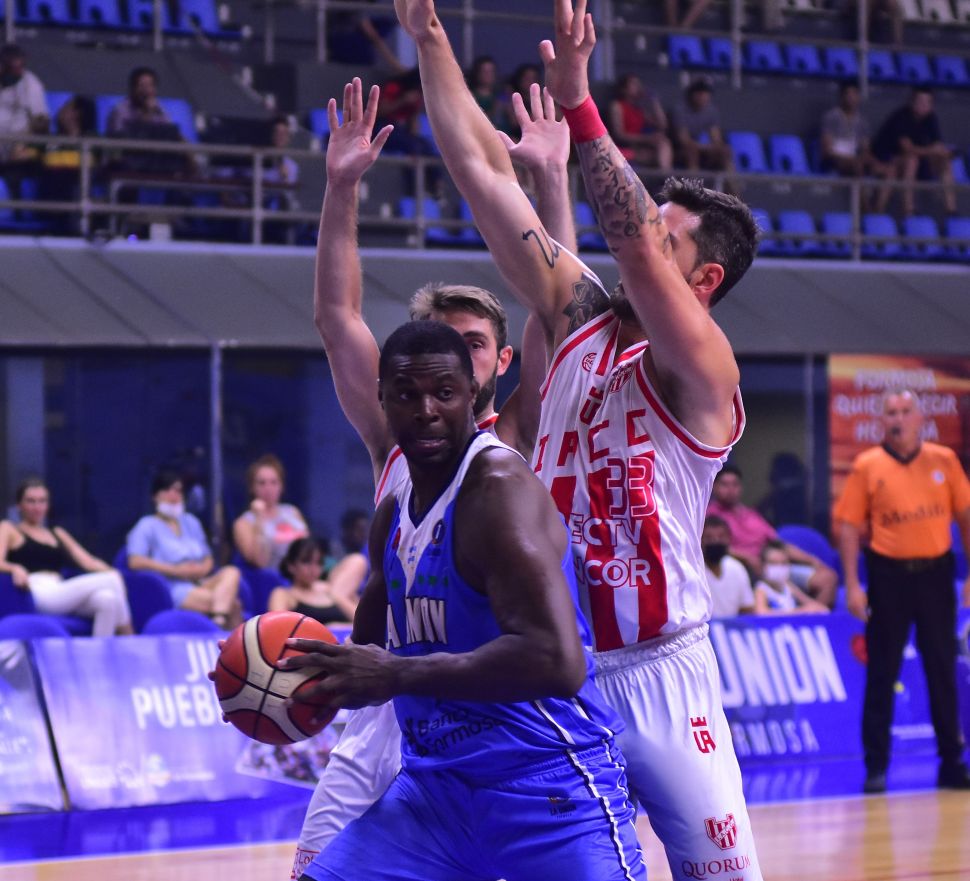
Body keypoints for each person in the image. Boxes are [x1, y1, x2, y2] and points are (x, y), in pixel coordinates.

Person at [400, 0, 761, 875]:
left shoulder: (704, 369)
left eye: (669, 237)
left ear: (704, 279)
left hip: (664, 672)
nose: (644, 235)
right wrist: (430, 38)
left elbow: (632, 244)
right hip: (561, 667)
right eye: (652, 222)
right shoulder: (581, 316)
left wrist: (580, 101)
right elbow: (482, 175)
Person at [290, 76, 567, 877]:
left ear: (500, 361)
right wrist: (341, 187)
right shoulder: (393, 437)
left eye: (471, 345)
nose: (452, 359)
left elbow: (559, 305)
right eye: (437, 343)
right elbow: (338, 318)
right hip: (388, 709)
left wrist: (551, 182)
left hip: (493, 709)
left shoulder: (516, 437)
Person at [286, 320, 646, 881]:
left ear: (473, 394)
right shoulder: (392, 513)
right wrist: (272, 679)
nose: (426, 410)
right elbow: (365, 656)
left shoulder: (497, 489)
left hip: (546, 786)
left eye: (445, 393)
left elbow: (559, 662)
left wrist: (397, 675)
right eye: (407, 394)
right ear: (382, 399)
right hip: (434, 795)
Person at [834, 389, 970, 794]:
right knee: (882, 671)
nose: (898, 418)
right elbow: (848, 527)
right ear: (883, 421)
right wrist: (853, 585)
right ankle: (876, 766)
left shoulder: (943, 460)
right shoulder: (868, 464)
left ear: (920, 418)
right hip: (889, 576)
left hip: (935, 575)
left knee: (941, 669)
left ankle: (952, 763)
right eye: (891, 412)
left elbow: (965, 516)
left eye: (905, 411)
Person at [0, 478, 132, 636]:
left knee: (107, 599)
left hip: (60, 587)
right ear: (19, 505)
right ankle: (130, 636)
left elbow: (88, 562)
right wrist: (14, 568)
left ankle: (99, 650)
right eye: (31, 501)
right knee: (112, 579)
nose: (37, 507)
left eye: (42, 501)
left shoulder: (57, 532)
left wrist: (113, 571)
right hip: (37, 591)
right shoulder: (10, 529)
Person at [708, 464, 839, 606]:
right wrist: (747, 558)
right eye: (725, 485)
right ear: (714, 487)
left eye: (735, 485)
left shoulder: (751, 514)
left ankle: (813, 617)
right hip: (746, 570)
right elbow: (711, 546)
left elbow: (779, 544)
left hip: (774, 565)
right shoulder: (709, 516)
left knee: (828, 578)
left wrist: (812, 561)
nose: (730, 490)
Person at [127, 469, 242, 629]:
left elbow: (208, 558)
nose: (174, 495)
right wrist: (175, 570)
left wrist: (201, 569)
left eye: (178, 490)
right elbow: (135, 561)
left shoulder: (191, 522)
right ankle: (220, 628)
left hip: (199, 581)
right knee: (233, 604)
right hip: (171, 586)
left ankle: (219, 621)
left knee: (232, 572)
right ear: (155, 496)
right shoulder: (146, 525)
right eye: (168, 490)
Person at [871, 87, 956, 216]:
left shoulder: (931, 118)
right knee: (912, 161)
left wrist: (943, 153)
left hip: (918, 161)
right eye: (920, 101)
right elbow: (907, 149)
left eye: (928, 102)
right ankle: (908, 209)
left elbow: (937, 144)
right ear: (911, 101)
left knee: (945, 162)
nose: (924, 105)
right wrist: (932, 151)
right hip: (888, 159)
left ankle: (951, 209)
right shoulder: (901, 117)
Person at [232, 453, 309, 570]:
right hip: (272, 577)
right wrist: (259, 518)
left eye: (274, 482)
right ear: (252, 488)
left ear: (281, 486)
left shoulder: (292, 511)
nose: (268, 489)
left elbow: (309, 550)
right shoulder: (243, 523)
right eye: (262, 483)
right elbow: (259, 562)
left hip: (303, 574)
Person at [268, 537, 364, 625]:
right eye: (306, 561)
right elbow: (277, 627)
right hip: (309, 637)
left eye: (319, 562)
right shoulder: (284, 595)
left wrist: (338, 596)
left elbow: (363, 623)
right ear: (291, 566)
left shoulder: (334, 589)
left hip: (345, 636)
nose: (313, 569)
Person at [819, 81, 894, 190]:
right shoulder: (831, 117)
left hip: (856, 159)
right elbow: (827, 151)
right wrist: (853, 159)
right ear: (841, 97)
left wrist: (872, 162)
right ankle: (863, 202)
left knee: (889, 171)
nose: (851, 98)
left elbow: (865, 149)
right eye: (848, 94)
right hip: (835, 160)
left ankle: (878, 202)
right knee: (857, 166)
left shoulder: (862, 122)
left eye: (855, 94)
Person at [607, 73, 673, 172]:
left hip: (639, 147)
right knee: (658, 152)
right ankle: (666, 177)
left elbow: (662, 125)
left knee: (663, 143)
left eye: (639, 84)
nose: (638, 87)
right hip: (624, 148)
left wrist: (654, 102)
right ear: (623, 89)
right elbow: (619, 135)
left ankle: (665, 176)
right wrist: (647, 139)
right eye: (634, 84)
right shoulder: (616, 106)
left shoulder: (639, 109)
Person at [671, 78, 734, 176]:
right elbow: (684, 140)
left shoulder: (711, 111)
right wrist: (704, 147)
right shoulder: (680, 110)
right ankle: (694, 184)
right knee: (691, 151)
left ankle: (733, 184)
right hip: (677, 150)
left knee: (724, 151)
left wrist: (710, 147)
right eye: (699, 93)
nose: (703, 96)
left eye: (706, 93)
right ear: (692, 94)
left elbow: (716, 139)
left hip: (700, 148)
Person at [753, 539, 830, 615]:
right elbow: (762, 612)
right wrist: (799, 611)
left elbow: (814, 605)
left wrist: (816, 608)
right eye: (773, 563)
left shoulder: (788, 586)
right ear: (763, 566)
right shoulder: (761, 589)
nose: (779, 568)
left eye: (783, 563)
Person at [0, 44, 48, 163]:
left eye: (21, 67)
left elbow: (42, 119)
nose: (18, 73)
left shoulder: (31, 83)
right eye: (13, 68)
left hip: (18, 145)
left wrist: (27, 136)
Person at [702, 515, 755, 618]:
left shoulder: (737, 568)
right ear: (700, 539)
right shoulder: (692, 570)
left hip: (731, 627)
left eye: (721, 537)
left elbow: (747, 610)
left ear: (729, 539)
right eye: (709, 538)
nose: (715, 541)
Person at [107, 67, 171, 136]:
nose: (146, 91)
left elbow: (170, 134)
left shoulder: (159, 110)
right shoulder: (120, 110)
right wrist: (147, 113)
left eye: (150, 85)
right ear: (133, 88)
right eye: (142, 85)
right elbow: (122, 138)